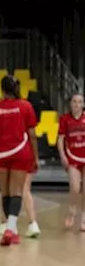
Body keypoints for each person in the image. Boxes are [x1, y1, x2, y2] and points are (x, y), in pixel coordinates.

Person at [0, 75, 38, 246]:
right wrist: (35, 157)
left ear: (2, 89)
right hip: (20, 152)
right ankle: (11, 229)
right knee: (17, 192)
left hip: (1, 154)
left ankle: (10, 229)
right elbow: (32, 135)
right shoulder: (26, 106)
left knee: (5, 193)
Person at [58, 93, 85, 231]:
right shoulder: (65, 119)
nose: (77, 104)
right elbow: (61, 139)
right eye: (74, 101)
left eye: (80, 102)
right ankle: (72, 211)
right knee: (75, 187)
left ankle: (83, 218)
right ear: (70, 103)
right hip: (73, 157)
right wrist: (62, 156)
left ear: (83, 104)